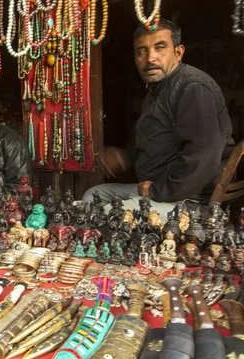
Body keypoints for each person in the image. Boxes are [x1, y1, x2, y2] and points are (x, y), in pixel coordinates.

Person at [83, 19, 234, 219]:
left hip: (187, 199)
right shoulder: (159, 90)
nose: (150, 58)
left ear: (178, 52)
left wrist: (157, 191)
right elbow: (161, 142)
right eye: (142, 51)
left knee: (107, 215)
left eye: (160, 47)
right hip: (159, 189)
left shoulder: (192, 88)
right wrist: (125, 157)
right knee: (92, 196)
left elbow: (203, 155)